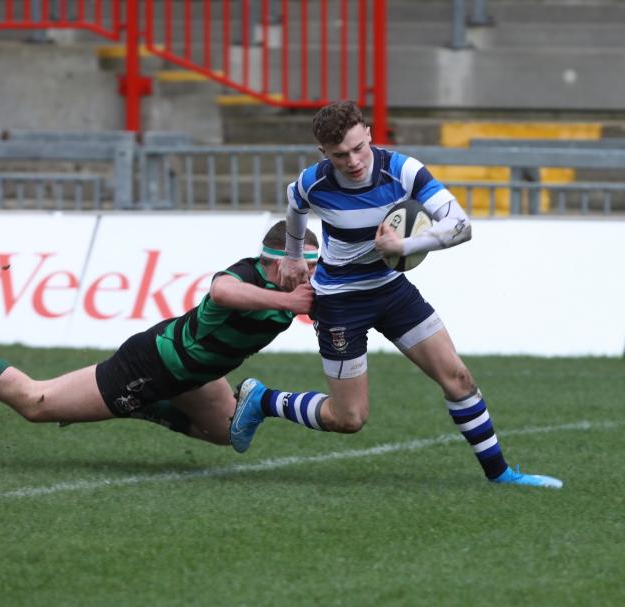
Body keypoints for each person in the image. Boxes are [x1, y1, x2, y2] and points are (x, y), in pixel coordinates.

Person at [229, 101, 563, 489]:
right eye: (340, 155)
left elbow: (461, 226)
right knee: (348, 418)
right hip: (340, 301)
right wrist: (291, 257)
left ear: (368, 132)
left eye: (359, 148)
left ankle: (501, 475)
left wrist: (404, 247)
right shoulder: (312, 182)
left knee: (458, 378)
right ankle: (262, 400)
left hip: (391, 290)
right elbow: (295, 204)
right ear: (324, 153)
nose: (353, 160)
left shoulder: (403, 170)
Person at [0, 222, 319, 445]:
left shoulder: (298, 284)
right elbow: (221, 292)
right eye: (306, 267)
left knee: (228, 434)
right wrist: (290, 304)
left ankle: (137, 408)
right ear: (279, 261)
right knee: (35, 402)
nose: (310, 278)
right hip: (151, 364)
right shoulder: (246, 276)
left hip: (194, 374)